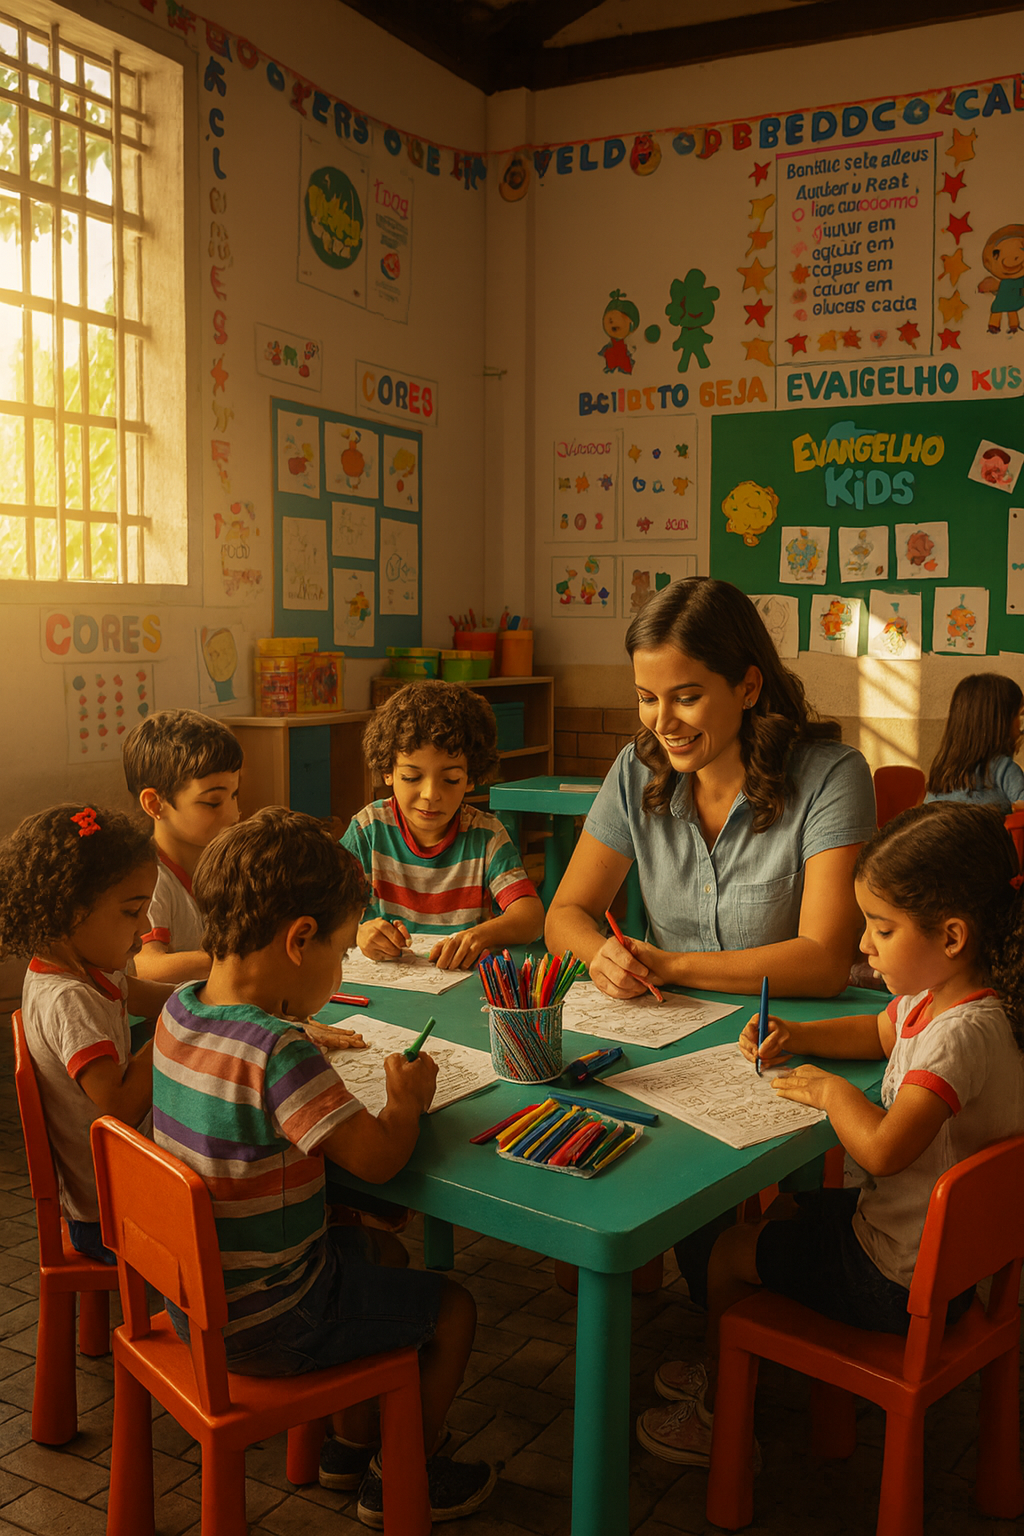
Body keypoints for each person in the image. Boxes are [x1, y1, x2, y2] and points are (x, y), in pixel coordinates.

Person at [636, 801, 1024, 1466]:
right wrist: (799, 1038)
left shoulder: (957, 1040)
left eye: (881, 927)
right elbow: (877, 1029)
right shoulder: (948, 997)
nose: (864, 946)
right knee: (789, 1208)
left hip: (901, 1284)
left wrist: (831, 1091)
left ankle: (717, 1418)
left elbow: (880, 1149)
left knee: (732, 1249)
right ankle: (756, 1364)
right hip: (946, 1260)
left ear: (953, 935)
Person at [152, 807, 495, 1525]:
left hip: (194, 1309)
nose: (340, 974)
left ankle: (346, 1447)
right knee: (454, 1308)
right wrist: (405, 1101)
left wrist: (292, 1027)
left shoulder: (179, 1013)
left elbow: (236, 1072)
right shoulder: (280, 1054)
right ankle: (405, 1475)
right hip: (275, 1320)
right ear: (300, 940)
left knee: (383, 1251)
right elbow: (375, 1162)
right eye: (341, 953)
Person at [545, 577, 877, 998]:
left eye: (685, 698)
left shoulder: (833, 778)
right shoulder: (637, 768)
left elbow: (824, 961)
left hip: (785, 1036)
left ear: (748, 688)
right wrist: (602, 958)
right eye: (647, 698)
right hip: (665, 1030)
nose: (662, 724)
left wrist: (672, 965)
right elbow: (564, 914)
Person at [0, 805, 171, 1262]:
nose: (146, 929)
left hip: (119, 1193)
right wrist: (180, 1029)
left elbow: (139, 993)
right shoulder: (68, 1001)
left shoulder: (83, 969)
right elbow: (119, 1105)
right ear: (70, 913)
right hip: (112, 1217)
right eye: (132, 912)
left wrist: (206, 995)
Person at [344, 681, 544, 970]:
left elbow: (531, 917)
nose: (430, 795)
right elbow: (323, 913)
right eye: (412, 777)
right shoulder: (368, 830)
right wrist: (359, 932)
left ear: (471, 777)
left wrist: (481, 935)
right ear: (388, 771)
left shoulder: (486, 836)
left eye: (450, 780)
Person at [123, 709, 243, 984]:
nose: (233, 815)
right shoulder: (149, 879)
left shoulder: (221, 864)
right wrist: (240, 958)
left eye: (234, 795)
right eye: (213, 802)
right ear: (155, 805)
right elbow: (148, 967)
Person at [925, 672, 1024, 813]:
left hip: (937, 834)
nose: (1020, 724)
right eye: (1019, 715)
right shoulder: (1003, 767)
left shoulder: (942, 768)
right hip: (983, 834)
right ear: (1002, 722)